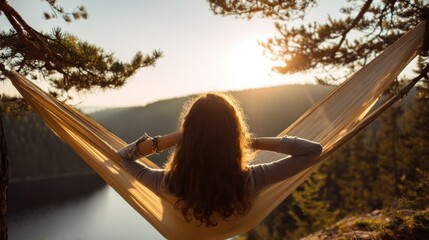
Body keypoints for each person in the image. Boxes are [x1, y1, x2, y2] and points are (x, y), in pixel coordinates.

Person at [117, 93, 322, 227]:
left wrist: (176, 138)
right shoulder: (250, 180)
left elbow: (123, 157)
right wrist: (249, 142)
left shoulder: (169, 183)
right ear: (234, 134)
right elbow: (312, 151)